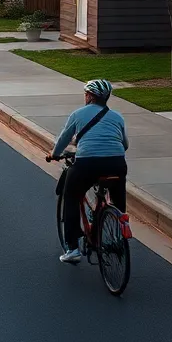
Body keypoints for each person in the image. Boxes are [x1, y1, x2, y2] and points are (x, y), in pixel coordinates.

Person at [48, 79, 128, 264]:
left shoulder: (78, 114)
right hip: (117, 163)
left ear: (89, 96)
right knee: (117, 200)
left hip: (87, 164)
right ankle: (118, 225)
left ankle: (73, 249)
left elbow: (63, 139)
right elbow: (124, 144)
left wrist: (54, 155)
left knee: (71, 197)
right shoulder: (117, 117)